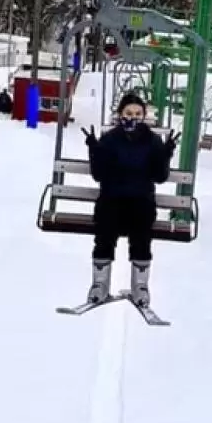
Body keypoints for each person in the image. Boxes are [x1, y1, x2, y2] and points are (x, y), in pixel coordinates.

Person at [82, 93, 178, 307]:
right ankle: (99, 284)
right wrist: (94, 150)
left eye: (137, 114)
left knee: (142, 237)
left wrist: (166, 153)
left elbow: (159, 177)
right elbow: (99, 175)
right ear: (120, 115)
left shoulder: (152, 141)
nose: (132, 118)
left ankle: (140, 287)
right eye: (128, 113)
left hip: (140, 201)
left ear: (143, 116)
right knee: (104, 234)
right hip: (112, 199)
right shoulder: (110, 139)